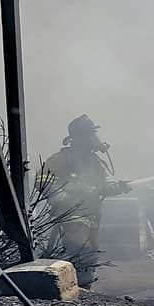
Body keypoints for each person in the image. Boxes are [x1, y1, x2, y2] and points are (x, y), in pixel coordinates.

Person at [37, 115, 130, 286]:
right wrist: (69, 198)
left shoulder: (94, 161)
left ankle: (83, 291)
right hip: (71, 216)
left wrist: (118, 187)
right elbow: (42, 183)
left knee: (90, 254)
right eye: (91, 134)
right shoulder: (60, 159)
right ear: (79, 138)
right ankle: (74, 290)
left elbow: (104, 183)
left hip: (91, 216)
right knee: (80, 252)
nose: (95, 138)